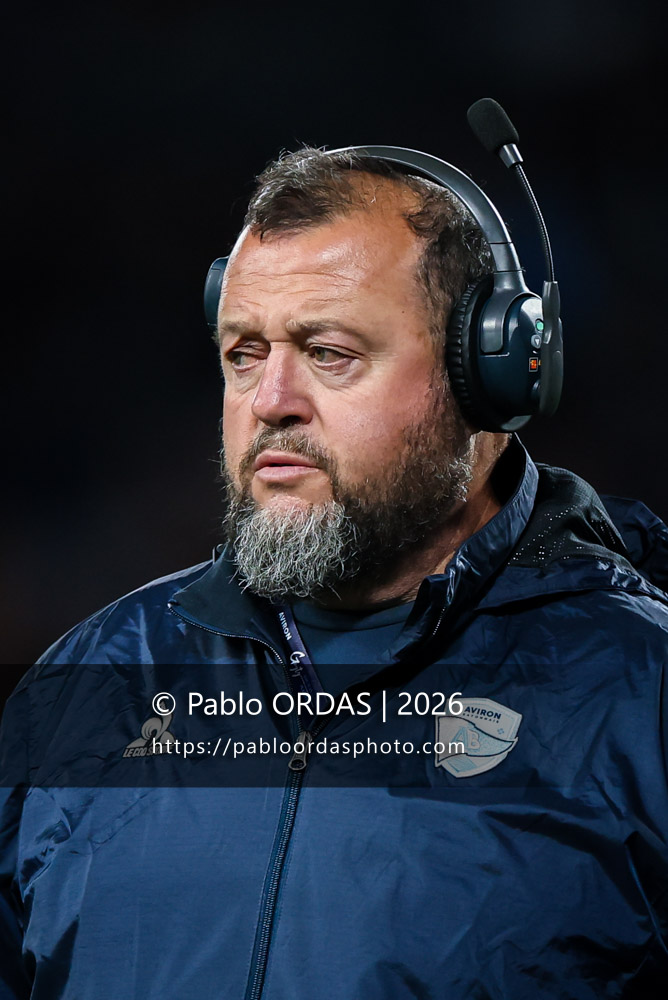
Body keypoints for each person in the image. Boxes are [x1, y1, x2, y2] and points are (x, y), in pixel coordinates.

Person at [1, 146, 667, 999]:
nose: (270, 399)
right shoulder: (89, 684)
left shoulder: (640, 697)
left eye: (330, 352)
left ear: (491, 375)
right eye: (244, 353)